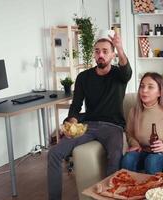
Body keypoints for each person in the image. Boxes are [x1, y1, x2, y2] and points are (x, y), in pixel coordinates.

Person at [48, 32, 132, 200]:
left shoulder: (119, 75)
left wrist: (121, 49)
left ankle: (109, 197)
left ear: (113, 55)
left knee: (115, 155)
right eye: (97, 51)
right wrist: (71, 122)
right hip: (88, 125)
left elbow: (126, 70)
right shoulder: (83, 77)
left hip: (113, 126)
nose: (100, 55)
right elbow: (76, 106)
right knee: (54, 153)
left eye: (105, 51)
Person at [121, 72, 163, 174]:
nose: (144, 90)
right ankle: (127, 188)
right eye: (142, 86)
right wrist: (134, 144)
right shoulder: (134, 111)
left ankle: (152, 189)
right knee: (128, 159)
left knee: (152, 161)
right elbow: (129, 133)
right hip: (142, 150)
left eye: (150, 87)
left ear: (159, 92)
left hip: (161, 153)